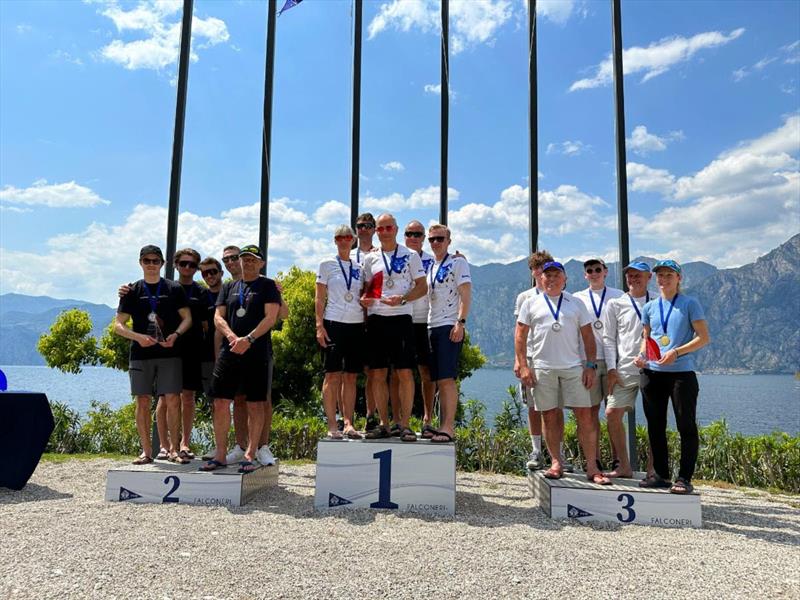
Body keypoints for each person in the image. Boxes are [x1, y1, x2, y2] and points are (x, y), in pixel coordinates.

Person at [515, 261, 610, 484]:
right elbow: (520, 336)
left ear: (565, 279)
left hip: (573, 367)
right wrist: (524, 365)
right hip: (542, 368)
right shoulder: (531, 303)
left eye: (557, 275)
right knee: (549, 415)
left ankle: (592, 466)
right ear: (541, 278)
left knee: (585, 416)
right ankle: (556, 462)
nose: (552, 279)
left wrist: (590, 365)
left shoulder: (576, 303)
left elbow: (588, 336)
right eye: (548, 275)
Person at [201, 245, 283, 473]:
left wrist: (249, 339)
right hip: (231, 350)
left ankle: (250, 453)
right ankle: (220, 454)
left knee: (256, 404)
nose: (247, 263)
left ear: (261, 263)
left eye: (252, 260)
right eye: (244, 259)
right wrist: (231, 337)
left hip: (256, 351)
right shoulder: (228, 287)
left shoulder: (268, 286)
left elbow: (271, 317)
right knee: (219, 402)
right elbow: (218, 316)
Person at [634, 259, 710, 494]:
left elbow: (703, 338)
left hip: (681, 374)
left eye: (669, 275)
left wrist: (676, 352)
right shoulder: (649, 307)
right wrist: (641, 357)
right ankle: (661, 476)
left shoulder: (690, 303)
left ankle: (684, 479)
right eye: (660, 275)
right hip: (652, 374)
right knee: (655, 427)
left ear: (679, 278)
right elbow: (646, 340)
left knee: (685, 425)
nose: (664, 279)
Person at [114, 245, 191, 464]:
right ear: (140, 263)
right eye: (146, 260)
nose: (151, 264)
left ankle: (174, 450)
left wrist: (175, 335)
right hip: (141, 353)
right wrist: (137, 337)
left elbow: (187, 319)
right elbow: (118, 325)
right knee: (143, 401)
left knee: (173, 400)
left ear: (162, 264)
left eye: (155, 261)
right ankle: (147, 451)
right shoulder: (132, 291)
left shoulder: (174, 288)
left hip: (170, 352)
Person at [359, 213, 427, 441]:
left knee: (405, 372)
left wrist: (404, 299)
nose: (385, 231)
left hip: (401, 318)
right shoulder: (370, 258)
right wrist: (365, 300)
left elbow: (422, 287)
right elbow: (367, 289)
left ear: (396, 230)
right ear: (376, 232)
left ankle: (405, 424)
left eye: (389, 227)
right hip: (377, 319)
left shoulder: (410, 255)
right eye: (381, 228)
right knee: (377, 374)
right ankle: (384, 424)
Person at [514, 250, 568, 471]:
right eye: (535, 267)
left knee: (557, 407)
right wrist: (519, 361)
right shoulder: (525, 297)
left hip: (557, 360)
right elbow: (519, 332)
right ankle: (536, 450)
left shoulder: (563, 295)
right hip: (531, 358)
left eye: (543, 266)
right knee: (534, 407)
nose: (539, 271)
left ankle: (560, 453)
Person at [602, 261, 652, 478]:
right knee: (612, 413)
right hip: (624, 370)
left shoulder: (659, 302)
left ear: (649, 277)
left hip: (654, 370)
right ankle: (624, 465)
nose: (633, 279)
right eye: (629, 275)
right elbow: (608, 338)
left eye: (638, 275)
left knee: (656, 420)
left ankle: (653, 470)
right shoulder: (616, 304)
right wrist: (611, 369)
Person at [315, 225, 365, 439]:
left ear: (353, 240)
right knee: (332, 375)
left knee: (351, 376)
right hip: (333, 323)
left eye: (347, 237)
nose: (344, 241)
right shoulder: (326, 264)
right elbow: (319, 298)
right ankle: (332, 424)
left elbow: (363, 296)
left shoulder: (360, 268)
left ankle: (348, 423)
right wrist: (319, 325)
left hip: (356, 324)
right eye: (339, 237)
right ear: (335, 240)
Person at [574, 258, 623, 471]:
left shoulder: (619, 296)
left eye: (597, 269)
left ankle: (618, 460)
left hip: (614, 362)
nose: (593, 273)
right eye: (589, 270)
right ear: (585, 275)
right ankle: (593, 460)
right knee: (590, 413)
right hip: (588, 362)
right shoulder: (577, 298)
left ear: (606, 272)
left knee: (613, 413)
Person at [388, 220, 437, 438]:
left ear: (424, 237)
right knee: (398, 372)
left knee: (427, 372)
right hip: (401, 319)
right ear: (403, 235)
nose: (414, 237)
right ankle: (398, 420)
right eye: (410, 233)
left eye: (418, 233)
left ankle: (427, 420)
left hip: (425, 320)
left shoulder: (433, 260)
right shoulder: (397, 257)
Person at [425, 224, 471, 443]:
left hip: (448, 325)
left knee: (447, 379)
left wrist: (460, 322)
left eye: (440, 239)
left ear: (448, 241)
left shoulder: (458, 262)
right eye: (432, 239)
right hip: (431, 326)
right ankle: (440, 424)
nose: (436, 243)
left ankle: (448, 427)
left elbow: (466, 293)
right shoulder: (431, 266)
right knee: (437, 378)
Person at [172, 248, 211, 460]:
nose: (187, 268)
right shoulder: (167, 288)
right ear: (176, 265)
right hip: (169, 348)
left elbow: (206, 323)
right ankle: (169, 445)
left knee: (188, 397)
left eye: (192, 265)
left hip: (193, 349)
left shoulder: (201, 292)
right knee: (167, 398)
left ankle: (184, 442)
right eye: (184, 263)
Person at [352, 212, 379, 430]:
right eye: (360, 225)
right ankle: (347, 418)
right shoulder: (348, 256)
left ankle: (371, 415)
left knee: (372, 371)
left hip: (373, 319)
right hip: (350, 319)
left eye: (368, 225)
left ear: (374, 229)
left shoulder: (380, 255)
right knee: (347, 373)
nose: (364, 229)